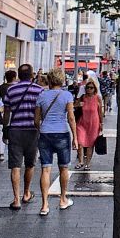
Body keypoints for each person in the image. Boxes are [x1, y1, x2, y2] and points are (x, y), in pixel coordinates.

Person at [2, 64, 43, 210]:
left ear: (18, 75)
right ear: (32, 75)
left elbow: (6, 111)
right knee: (30, 164)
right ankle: (26, 192)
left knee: (15, 165)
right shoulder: (39, 90)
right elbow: (42, 111)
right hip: (33, 130)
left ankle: (16, 199)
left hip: (15, 130)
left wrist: (5, 128)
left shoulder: (11, 90)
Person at [36, 69, 76, 215]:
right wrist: (75, 138)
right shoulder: (67, 95)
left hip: (45, 133)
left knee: (45, 169)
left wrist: (41, 129)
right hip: (62, 133)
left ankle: (45, 205)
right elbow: (71, 118)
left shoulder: (41, 96)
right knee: (63, 168)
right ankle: (63, 199)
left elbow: (36, 120)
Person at [75, 77, 103, 169]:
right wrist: (78, 104)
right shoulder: (83, 97)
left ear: (95, 89)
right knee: (80, 142)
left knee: (90, 144)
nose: (89, 89)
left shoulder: (97, 98)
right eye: (87, 87)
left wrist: (101, 124)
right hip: (82, 122)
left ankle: (88, 163)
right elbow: (74, 105)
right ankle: (80, 162)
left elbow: (100, 111)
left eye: (91, 87)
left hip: (93, 123)